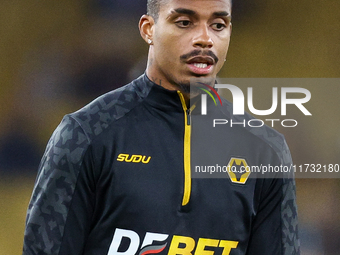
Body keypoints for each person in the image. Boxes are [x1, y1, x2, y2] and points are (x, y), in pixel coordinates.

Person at [23, 0, 300, 254]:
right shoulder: (86, 133)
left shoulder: (266, 150)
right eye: (184, 23)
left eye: (218, 25)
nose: (205, 39)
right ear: (148, 29)